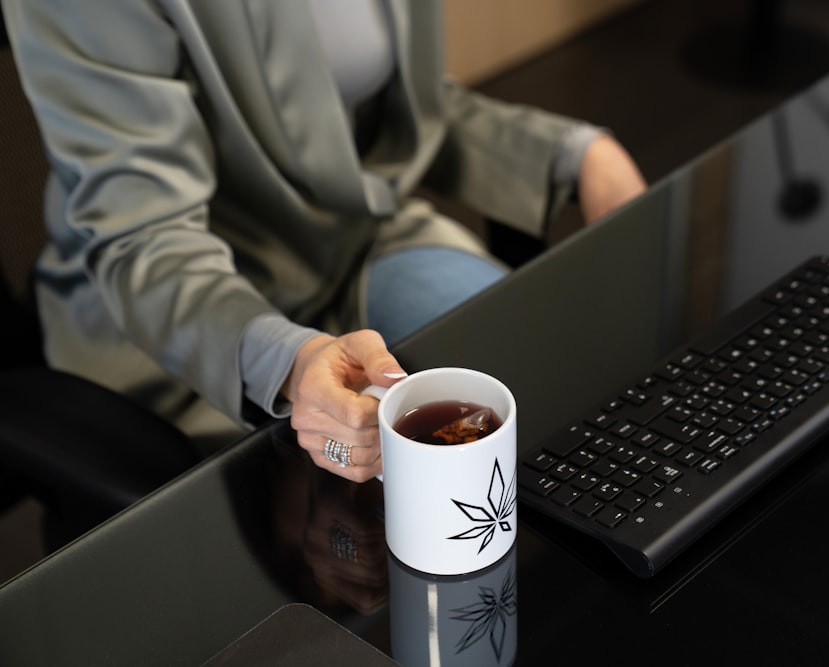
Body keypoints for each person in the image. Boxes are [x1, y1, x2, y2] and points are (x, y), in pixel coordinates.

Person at [2, 0, 646, 482]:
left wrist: (577, 154)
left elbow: (398, 101)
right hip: (178, 312)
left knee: (549, 403)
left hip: (348, 236)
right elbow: (143, 235)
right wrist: (284, 360)